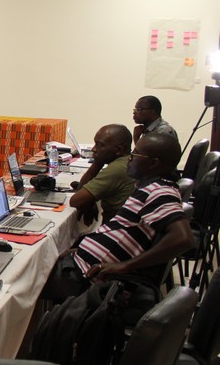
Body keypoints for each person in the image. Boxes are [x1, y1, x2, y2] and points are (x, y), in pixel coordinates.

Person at [41, 133, 194, 311]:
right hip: (82, 266)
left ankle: (46, 325)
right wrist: (81, 248)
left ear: (153, 163)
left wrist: (125, 266)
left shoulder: (160, 192)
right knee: (39, 259)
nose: (129, 159)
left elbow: (184, 238)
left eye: (135, 155)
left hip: (87, 277)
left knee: (25, 278)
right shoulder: (148, 187)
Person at [68, 124, 136, 225]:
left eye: (99, 145)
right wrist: (90, 201)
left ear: (119, 150)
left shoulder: (117, 168)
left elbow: (75, 201)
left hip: (115, 228)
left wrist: (97, 164)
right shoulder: (128, 161)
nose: (93, 149)